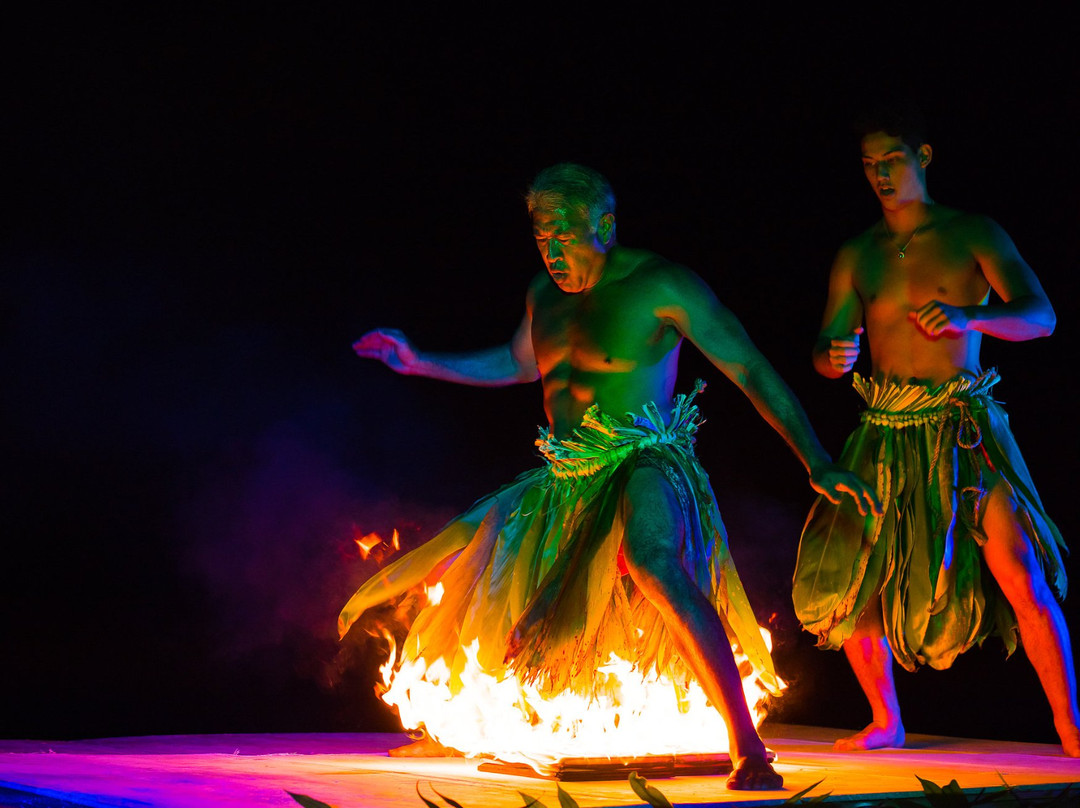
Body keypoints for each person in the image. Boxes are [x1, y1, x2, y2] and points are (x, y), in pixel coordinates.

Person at [341, 162, 880, 790]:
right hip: (566, 479)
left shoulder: (662, 284)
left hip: (645, 458)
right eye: (542, 237)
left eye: (565, 234)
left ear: (605, 224)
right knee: (465, 563)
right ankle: (460, 724)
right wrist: (419, 361)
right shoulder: (542, 297)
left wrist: (815, 458)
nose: (552, 251)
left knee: (653, 561)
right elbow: (519, 364)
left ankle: (747, 747)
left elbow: (751, 369)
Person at [792, 104, 1079, 755]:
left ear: (923, 156)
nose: (880, 175)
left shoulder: (971, 232)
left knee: (1018, 565)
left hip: (964, 423)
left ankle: (1070, 725)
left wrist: (968, 316)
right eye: (868, 165)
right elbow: (827, 344)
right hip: (885, 429)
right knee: (858, 577)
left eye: (891, 160)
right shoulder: (857, 253)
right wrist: (830, 355)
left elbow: (1041, 317)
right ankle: (885, 720)